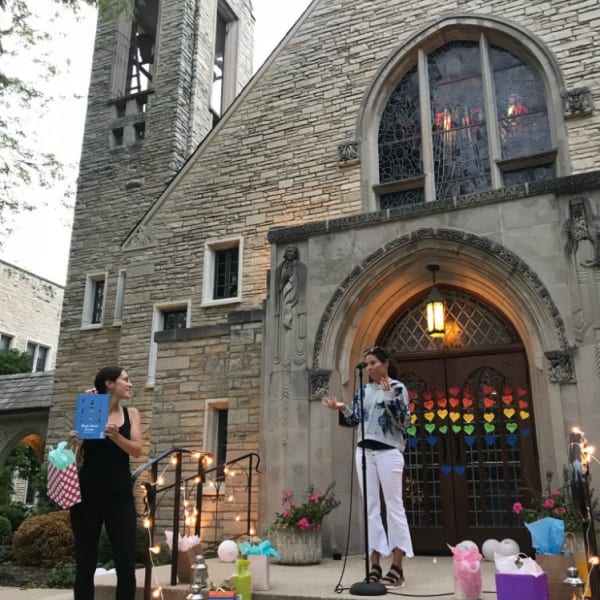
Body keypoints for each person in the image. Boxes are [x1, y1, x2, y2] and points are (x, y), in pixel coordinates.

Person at [324, 346, 414, 587]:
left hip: (388, 451)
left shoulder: (397, 387)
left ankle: (397, 565)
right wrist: (342, 408)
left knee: (394, 506)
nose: (369, 367)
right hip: (364, 450)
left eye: (373, 362)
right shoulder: (363, 390)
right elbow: (356, 421)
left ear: (385, 364)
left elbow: (404, 421)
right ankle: (374, 563)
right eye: (367, 364)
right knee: (371, 507)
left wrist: (388, 397)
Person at [69, 366, 142, 600]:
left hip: (120, 494)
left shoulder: (132, 414)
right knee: (85, 561)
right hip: (88, 493)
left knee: (125, 562)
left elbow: (137, 450)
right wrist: (76, 441)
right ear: (109, 384)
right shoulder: (90, 410)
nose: (130, 384)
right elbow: (77, 457)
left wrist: (116, 436)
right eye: (125, 380)